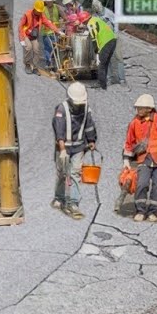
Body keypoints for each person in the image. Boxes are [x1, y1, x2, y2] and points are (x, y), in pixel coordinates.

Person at [122, 94, 157, 222]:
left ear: (149, 109)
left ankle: (154, 211)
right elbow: (129, 142)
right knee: (142, 183)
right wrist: (126, 160)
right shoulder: (134, 123)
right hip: (144, 158)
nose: (138, 110)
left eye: (140, 108)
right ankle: (140, 210)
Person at [53, 82, 97, 220]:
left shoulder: (85, 109)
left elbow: (89, 125)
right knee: (62, 172)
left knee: (75, 173)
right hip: (64, 147)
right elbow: (59, 130)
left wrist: (91, 141)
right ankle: (59, 197)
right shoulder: (61, 109)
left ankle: (73, 202)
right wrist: (62, 149)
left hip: (78, 147)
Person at [18, 0, 59, 74]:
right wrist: (22, 39)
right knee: (29, 47)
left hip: (34, 36)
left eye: (41, 11)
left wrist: (58, 31)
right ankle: (27, 64)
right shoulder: (27, 14)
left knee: (37, 50)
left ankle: (35, 67)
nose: (39, 12)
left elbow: (48, 23)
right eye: (38, 11)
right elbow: (20, 26)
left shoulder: (41, 15)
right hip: (26, 35)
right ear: (34, 9)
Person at [91, 0, 124, 84]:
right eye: (95, 9)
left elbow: (116, 23)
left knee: (118, 57)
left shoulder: (108, 13)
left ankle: (121, 78)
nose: (97, 10)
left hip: (114, 36)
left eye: (98, 8)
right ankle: (109, 78)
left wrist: (116, 34)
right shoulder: (95, 15)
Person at [85, 12, 117, 90]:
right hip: (113, 39)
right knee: (105, 63)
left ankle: (101, 84)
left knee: (101, 64)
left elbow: (94, 39)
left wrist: (96, 51)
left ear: (84, 20)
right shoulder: (95, 19)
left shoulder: (90, 24)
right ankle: (104, 82)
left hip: (105, 43)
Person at [41, 0, 63, 70]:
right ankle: (48, 62)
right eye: (48, 1)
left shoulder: (57, 8)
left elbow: (65, 17)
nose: (49, 2)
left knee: (56, 47)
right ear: (45, 1)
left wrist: (64, 23)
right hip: (46, 31)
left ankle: (55, 62)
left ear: (53, 1)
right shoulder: (42, 9)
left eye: (50, 1)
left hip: (55, 32)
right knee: (48, 47)